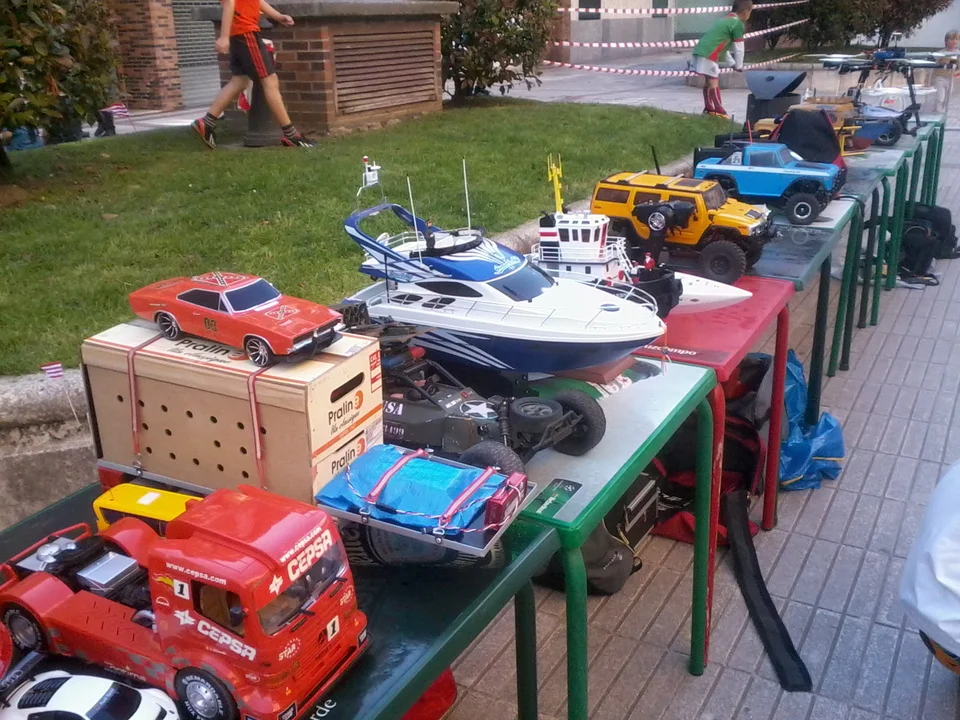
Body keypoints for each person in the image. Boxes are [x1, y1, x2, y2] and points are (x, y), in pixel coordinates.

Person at [192, 0, 314, 149]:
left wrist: (278, 16)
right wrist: (224, 37)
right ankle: (291, 135)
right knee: (270, 80)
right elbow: (229, 3)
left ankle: (207, 122)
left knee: (240, 80)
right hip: (245, 32)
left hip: (240, 34)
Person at [691, 0, 752, 118]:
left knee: (708, 80)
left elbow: (723, 48)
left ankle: (709, 108)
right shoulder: (737, 24)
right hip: (710, 54)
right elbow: (739, 48)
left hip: (700, 50)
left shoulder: (723, 20)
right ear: (745, 11)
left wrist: (732, 63)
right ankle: (719, 110)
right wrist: (739, 65)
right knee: (713, 81)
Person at [933, 30, 959, 114]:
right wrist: (942, 62)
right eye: (951, 39)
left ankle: (944, 112)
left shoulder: (958, 53)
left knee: (948, 97)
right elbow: (935, 63)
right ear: (946, 41)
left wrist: (955, 72)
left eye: (956, 39)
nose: (954, 41)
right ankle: (937, 110)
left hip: (950, 78)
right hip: (940, 77)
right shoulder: (942, 53)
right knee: (940, 96)